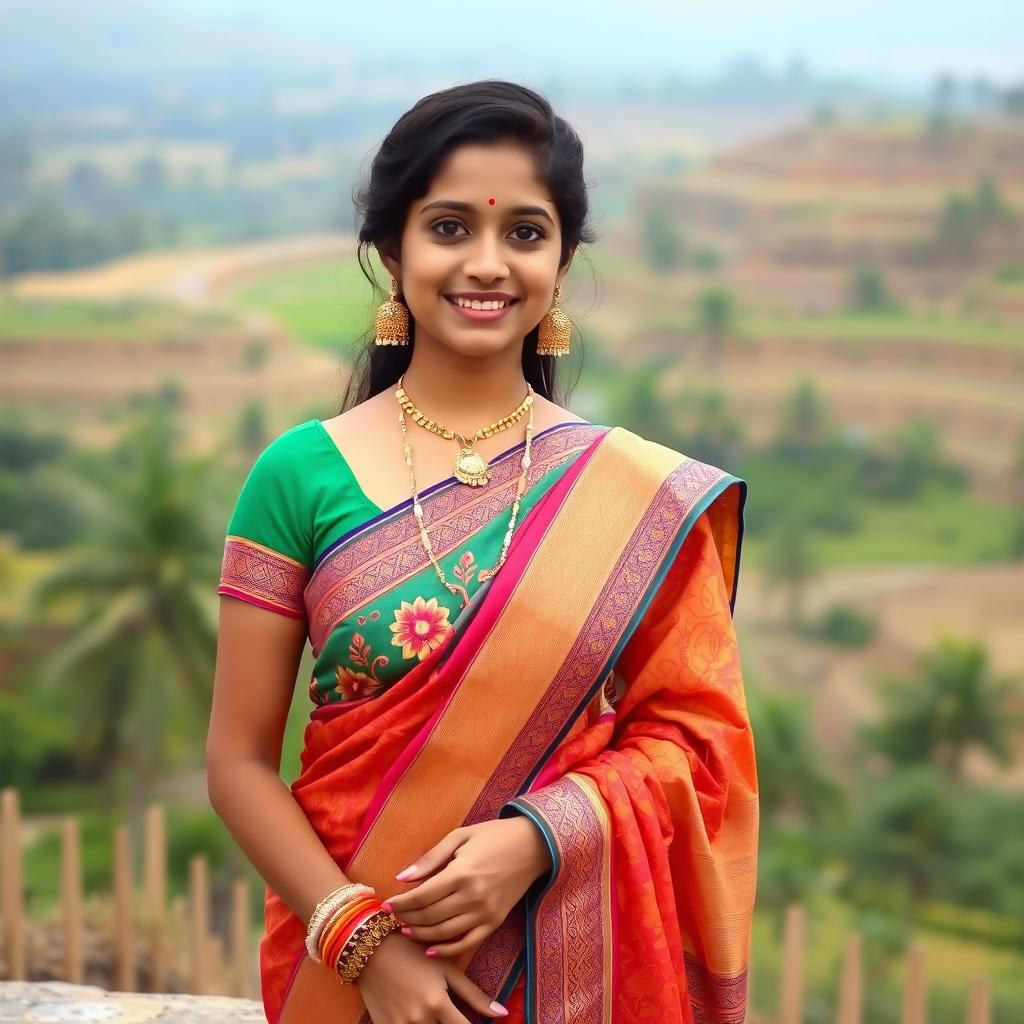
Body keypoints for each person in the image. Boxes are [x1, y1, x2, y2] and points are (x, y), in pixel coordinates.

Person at [206, 79, 757, 1024]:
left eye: (526, 233)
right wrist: (361, 943)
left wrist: (544, 837)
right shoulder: (298, 475)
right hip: (345, 977)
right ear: (393, 249)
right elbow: (238, 763)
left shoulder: (630, 494)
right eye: (451, 227)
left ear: (563, 260)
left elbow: (700, 750)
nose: (488, 263)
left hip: (566, 964)